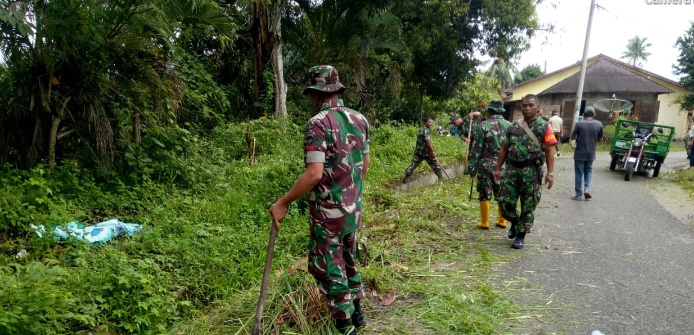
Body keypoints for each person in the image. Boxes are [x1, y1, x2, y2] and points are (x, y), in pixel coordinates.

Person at [269, 65, 369, 335]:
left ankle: (345, 325)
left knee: (327, 266)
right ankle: (358, 313)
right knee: (349, 258)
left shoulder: (318, 123)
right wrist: (351, 193)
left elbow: (314, 173)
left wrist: (283, 202)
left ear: (316, 93)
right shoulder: (360, 119)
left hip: (329, 214)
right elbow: (364, 164)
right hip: (353, 208)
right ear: (337, 90)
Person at [493, 94, 556, 249]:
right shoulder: (513, 126)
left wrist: (550, 173)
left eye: (531, 105)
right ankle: (515, 222)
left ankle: (521, 235)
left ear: (538, 107)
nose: (527, 108)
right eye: (524, 105)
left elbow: (549, 151)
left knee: (528, 206)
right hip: (512, 170)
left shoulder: (544, 126)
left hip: (532, 173)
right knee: (504, 202)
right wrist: (497, 169)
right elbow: (504, 149)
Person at [466, 98, 511, 230]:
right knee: (502, 193)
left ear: (489, 110)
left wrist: (472, 168)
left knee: (484, 192)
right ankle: (502, 220)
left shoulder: (483, 126)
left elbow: (476, 149)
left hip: (486, 164)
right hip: (503, 165)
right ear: (501, 111)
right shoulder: (510, 125)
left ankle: (485, 222)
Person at [570, 106, 603, 201]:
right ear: (594, 115)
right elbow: (600, 139)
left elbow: (572, 137)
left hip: (579, 153)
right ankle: (587, 189)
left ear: (583, 115)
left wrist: (579, 138)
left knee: (579, 173)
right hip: (591, 153)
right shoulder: (599, 124)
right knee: (588, 171)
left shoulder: (579, 124)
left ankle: (578, 194)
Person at [403, 116, 444, 183]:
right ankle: (440, 179)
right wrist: (432, 152)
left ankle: (406, 178)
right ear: (425, 122)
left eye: (431, 122)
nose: (431, 123)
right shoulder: (426, 130)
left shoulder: (421, 129)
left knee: (413, 164)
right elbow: (428, 142)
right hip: (426, 152)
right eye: (429, 122)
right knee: (435, 164)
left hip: (418, 151)